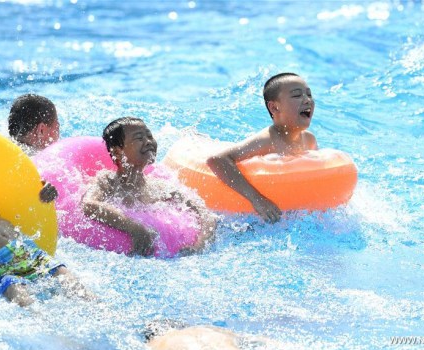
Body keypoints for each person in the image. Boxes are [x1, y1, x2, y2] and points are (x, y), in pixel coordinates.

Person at [0, 181, 93, 307]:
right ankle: (56, 339)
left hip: (27, 249)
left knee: (76, 287)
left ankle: (98, 310)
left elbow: (22, 204)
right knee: (26, 304)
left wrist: (40, 195)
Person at [82, 117, 217, 256]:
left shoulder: (160, 187)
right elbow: (89, 204)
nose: (148, 142)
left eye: (150, 136)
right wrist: (134, 228)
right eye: (139, 138)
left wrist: (199, 245)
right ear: (117, 152)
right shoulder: (108, 182)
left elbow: (206, 215)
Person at [207, 73, 318, 223]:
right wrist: (257, 200)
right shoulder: (267, 141)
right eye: (297, 95)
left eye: (309, 95)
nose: (307, 100)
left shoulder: (309, 140)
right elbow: (217, 160)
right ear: (274, 107)